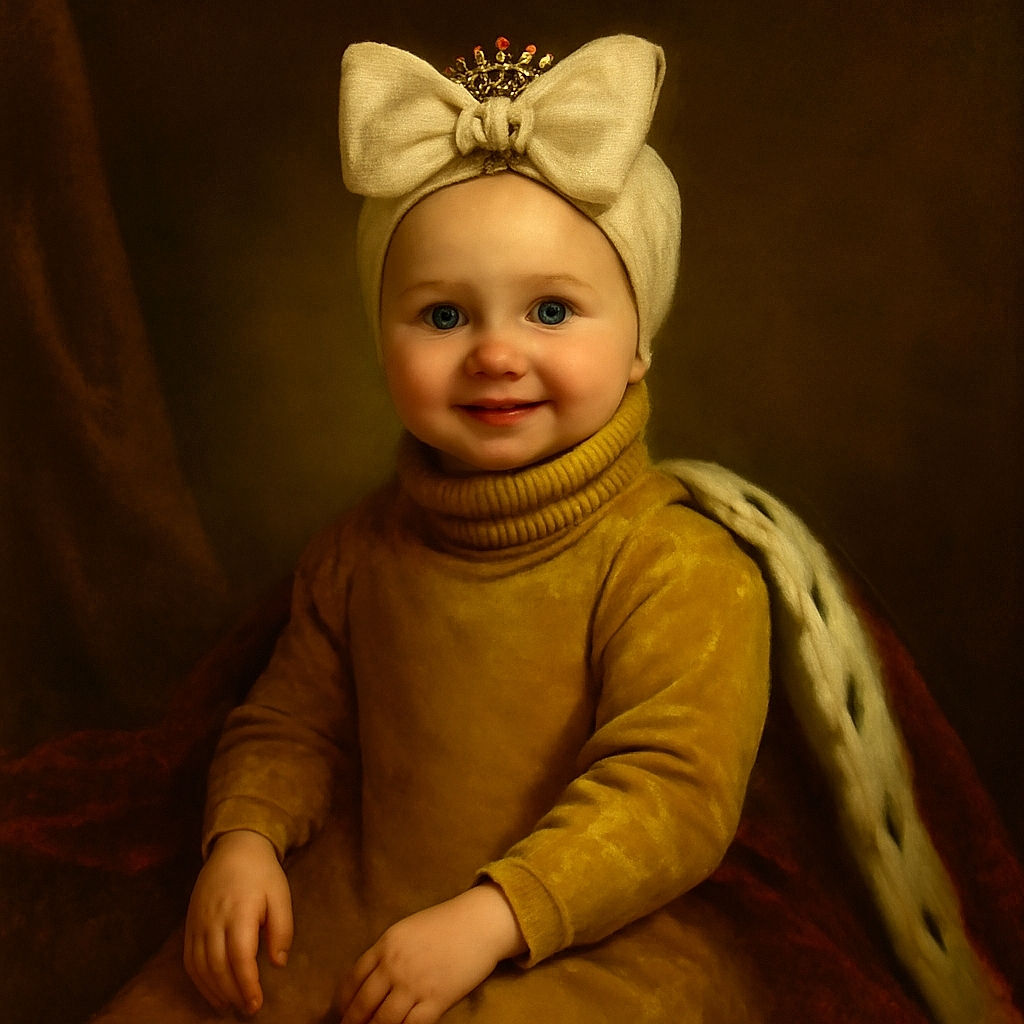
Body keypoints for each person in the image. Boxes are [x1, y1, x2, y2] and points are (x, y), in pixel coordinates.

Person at [93, 34, 771, 1024]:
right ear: (382, 344)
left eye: (551, 310)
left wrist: (491, 918)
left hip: (577, 929)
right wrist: (244, 840)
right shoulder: (360, 551)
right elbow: (292, 721)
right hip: (364, 894)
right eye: (444, 317)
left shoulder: (679, 564)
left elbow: (669, 794)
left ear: (639, 342)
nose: (496, 353)